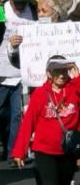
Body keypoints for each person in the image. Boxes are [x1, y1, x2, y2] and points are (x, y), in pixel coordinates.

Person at [12, 55, 80, 184]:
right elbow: (28, 123)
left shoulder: (74, 90)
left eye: (65, 71)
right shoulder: (40, 94)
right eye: (57, 71)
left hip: (68, 150)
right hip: (45, 151)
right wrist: (20, 151)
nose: (62, 75)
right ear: (48, 73)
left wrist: (77, 78)